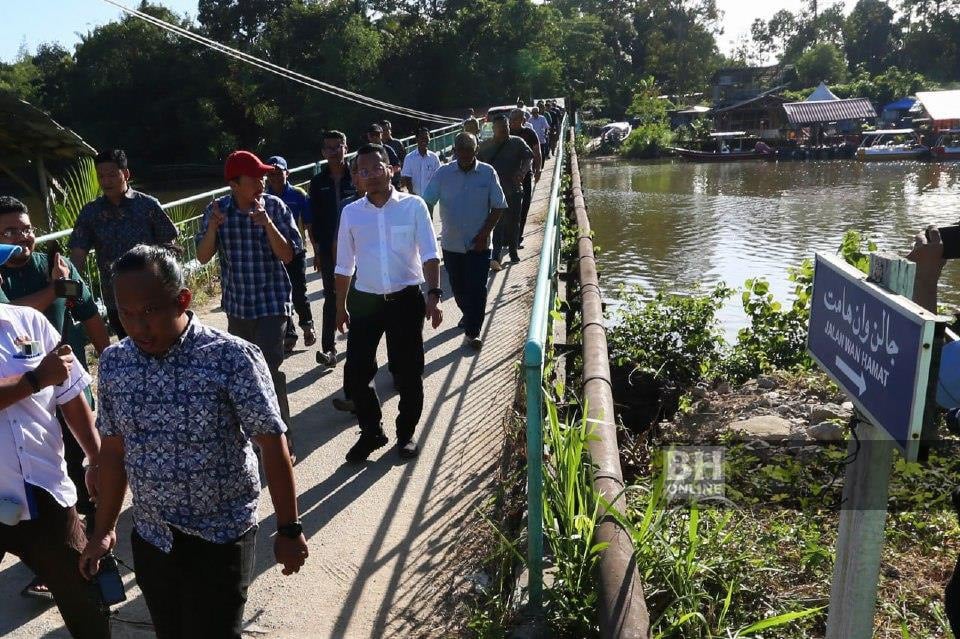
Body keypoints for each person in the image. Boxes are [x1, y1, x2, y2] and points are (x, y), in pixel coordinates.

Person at [79, 245, 307, 639]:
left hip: (222, 536)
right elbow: (114, 451)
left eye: (149, 311)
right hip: (153, 536)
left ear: (182, 299)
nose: (137, 326)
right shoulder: (116, 363)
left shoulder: (231, 358)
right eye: (125, 313)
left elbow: (272, 444)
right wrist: (102, 531)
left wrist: (289, 529)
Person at [0, 196, 111, 599]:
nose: (22, 237)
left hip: (67, 387)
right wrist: (52, 291)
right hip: (23, 408)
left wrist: (112, 366)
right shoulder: (8, 277)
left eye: (26, 228)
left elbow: (90, 314)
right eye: (10, 231)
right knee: (45, 482)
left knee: (84, 470)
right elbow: (9, 311)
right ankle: (52, 560)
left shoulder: (54, 264)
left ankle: (94, 546)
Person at [334, 144, 443, 462]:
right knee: (356, 373)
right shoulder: (351, 213)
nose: (370, 175)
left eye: (376, 168)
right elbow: (344, 266)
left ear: (392, 169)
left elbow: (430, 254)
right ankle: (371, 432)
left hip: (406, 300)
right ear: (357, 177)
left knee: (408, 372)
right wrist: (340, 306)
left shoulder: (413, 206)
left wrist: (433, 296)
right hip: (365, 301)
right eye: (363, 171)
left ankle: (406, 434)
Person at [195, 150, 302, 463]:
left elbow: (288, 255)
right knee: (243, 375)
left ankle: (283, 442)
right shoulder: (217, 211)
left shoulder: (276, 207)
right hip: (239, 306)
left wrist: (266, 223)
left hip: (272, 303)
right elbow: (202, 256)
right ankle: (253, 440)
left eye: (263, 176)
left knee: (269, 370)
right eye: (254, 178)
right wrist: (213, 228)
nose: (261, 182)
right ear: (234, 184)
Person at [68, 150, 178, 340]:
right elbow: (78, 252)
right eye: (101, 176)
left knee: (162, 342)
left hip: (152, 294)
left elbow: (170, 243)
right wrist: (69, 284)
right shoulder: (91, 213)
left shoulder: (147, 205)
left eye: (111, 175)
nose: (106, 181)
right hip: (116, 300)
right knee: (130, 349)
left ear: (125, 174)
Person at [423, 133, 507, 350]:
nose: (465, 155)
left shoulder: (487, 173)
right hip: (452, 245)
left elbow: (499, 206)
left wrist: (484, 234)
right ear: (455, 151)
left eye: (469, 151)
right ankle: (469, 315)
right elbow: (427, 201)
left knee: (477, 288)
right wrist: (427, 228)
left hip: (479, 245)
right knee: (459, 288)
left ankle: (473, 332)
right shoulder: (443, 173)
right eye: (461, 151)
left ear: (476, 150)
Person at [309, 131, 357, 367]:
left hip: (359, 248)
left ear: (346, 148)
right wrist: (317, 251)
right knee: (331, 296)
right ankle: (329, 349)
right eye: (329, 148)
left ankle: (358, 344)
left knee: (358, 295)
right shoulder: (317, 183)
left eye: (338, 147)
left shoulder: (356, 176)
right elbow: (313, 220)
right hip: (329, 249)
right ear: (323, 152)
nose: (334, 152)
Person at [265, 156, 317, 352]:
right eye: (271, 174)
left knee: (298, 291)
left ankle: (307, 325)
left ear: (287, 173)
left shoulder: (298, 194)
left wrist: (316, 251)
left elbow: (310, 224)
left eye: (279, 173)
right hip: (272, 254)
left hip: (296, 251)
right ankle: (289, 332)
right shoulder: (262, 197)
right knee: (279, 295)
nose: (275, 177)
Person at [477, 115, 533, 271]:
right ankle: (496, 255)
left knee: (514, 222)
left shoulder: (517, 142)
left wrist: (522, 172)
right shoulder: (485, 146)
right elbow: (475, 164)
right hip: (494, 192)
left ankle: (513, 251)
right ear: (494, 129)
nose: (505, 130)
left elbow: (529, 157)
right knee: (497, 223)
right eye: (501, 128)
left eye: (506, 127)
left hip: (514, 190)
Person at [508, 109, 542, 246]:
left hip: (525, 174)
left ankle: (517, 236)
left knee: (524, 205)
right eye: (512, 119)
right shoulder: (505, 133)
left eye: (516, 119)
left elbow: (537, 152)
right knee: (508, 207)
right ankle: (509, 237)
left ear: (523, 120)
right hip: (507, 176)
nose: (513, 122)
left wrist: (538, 169)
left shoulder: (529, 133)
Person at [401, 127, 442, 207]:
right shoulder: (409, 158)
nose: (424, 141)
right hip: (414, 199)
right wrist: (412, 194)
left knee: (429, 218)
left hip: (429, 199)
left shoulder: (434, 157)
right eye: (422, 138)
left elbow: (438, 176)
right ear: (417, 139)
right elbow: (407, 178)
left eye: (427, 138)